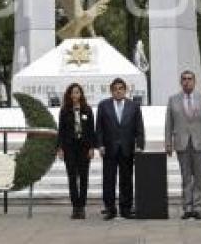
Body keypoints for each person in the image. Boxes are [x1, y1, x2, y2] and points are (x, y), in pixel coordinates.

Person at [165, 70, 201, 220]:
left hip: (199, 142)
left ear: (195, 81)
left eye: (190, 79)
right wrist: (168, 143)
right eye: (184, 79)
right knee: (185, 177)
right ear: (181, 82)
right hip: (182, 143)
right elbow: (169, 123)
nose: (187, 81)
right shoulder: (173, 99)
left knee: (198, 177)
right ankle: (187, 207)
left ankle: (198, 207)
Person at [95, 77, 145, 220]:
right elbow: (99, 128)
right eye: (115, 89)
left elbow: (139, 128)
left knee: (126, 180)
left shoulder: (134, 106)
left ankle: (126, 209)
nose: (118, 91)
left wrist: (140, 146)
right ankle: (110, 209)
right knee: (109, 180)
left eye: (121, 89)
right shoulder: (103, 106)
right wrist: (100, 145)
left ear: (125, 90)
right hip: (109, 149)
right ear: (111, 91)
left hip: (127, 149)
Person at [57, 82, 97, 219]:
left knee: (84, 177)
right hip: (69, 148)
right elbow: (61, 131)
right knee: (72, 177)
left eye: (77, 92)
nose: (75, 95)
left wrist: (92, 147)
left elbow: (92, 130)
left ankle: (82, 206)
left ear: (81, 94)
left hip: (84, 148)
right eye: (73, 92)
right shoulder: (64, 110)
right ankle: (75, 207)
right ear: (69, 94)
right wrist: (60, 148)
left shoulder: (87, 110)